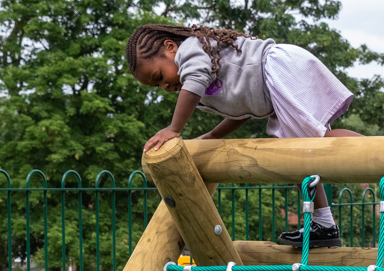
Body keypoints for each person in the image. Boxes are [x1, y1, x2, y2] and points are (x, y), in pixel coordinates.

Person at [127, 23, 364, 248]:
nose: (164, 87)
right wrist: (212, 136)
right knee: (301, 155)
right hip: (273, 80)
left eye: (159, 77)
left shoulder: (191, 50)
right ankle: (324, 224)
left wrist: (173, 129)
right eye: (156, 87)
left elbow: (195, 82)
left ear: (170, 47)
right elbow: (242, 110)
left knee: (315, 143)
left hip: (277, 66)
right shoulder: (201, 80)